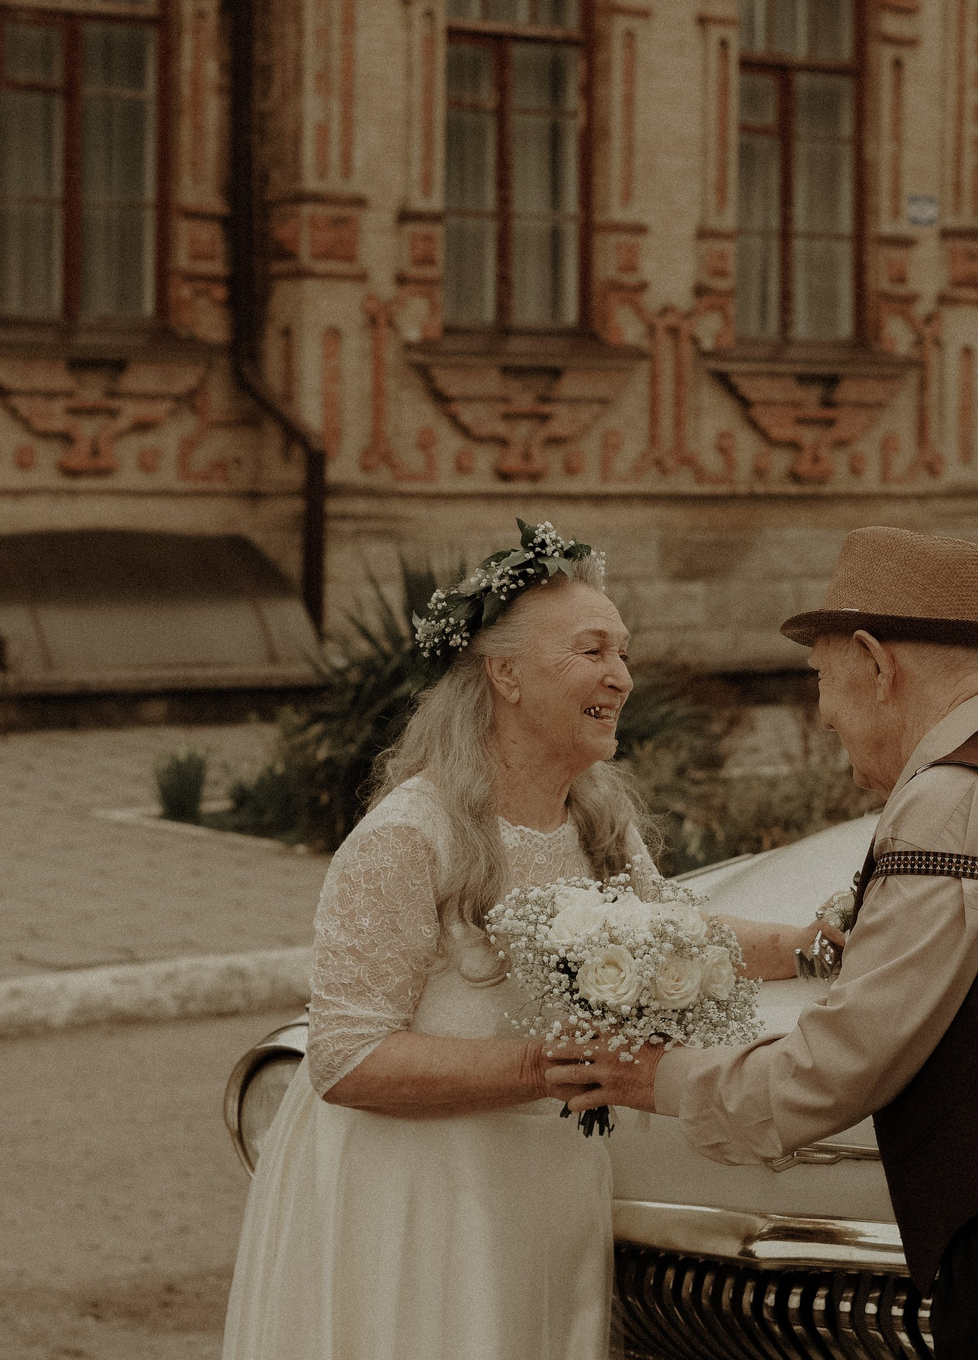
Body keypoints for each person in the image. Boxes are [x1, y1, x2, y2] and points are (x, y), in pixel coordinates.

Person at [553, 526, 978, 1360]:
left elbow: (845, 1060)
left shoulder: (952, 798)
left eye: (821, 678)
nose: (823, 715)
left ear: (877, 664)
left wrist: (654, 1077)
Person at [220, 522, 835, 1360]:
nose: (621, 675)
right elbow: (344, 1057)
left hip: (545, 1187)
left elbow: (678, 934)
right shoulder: (408, 836)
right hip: (417, 1200)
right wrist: (541, 1067)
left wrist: (806, 943)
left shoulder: (597, 819)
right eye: (592, 650)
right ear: (504, 674)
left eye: (623, 652)